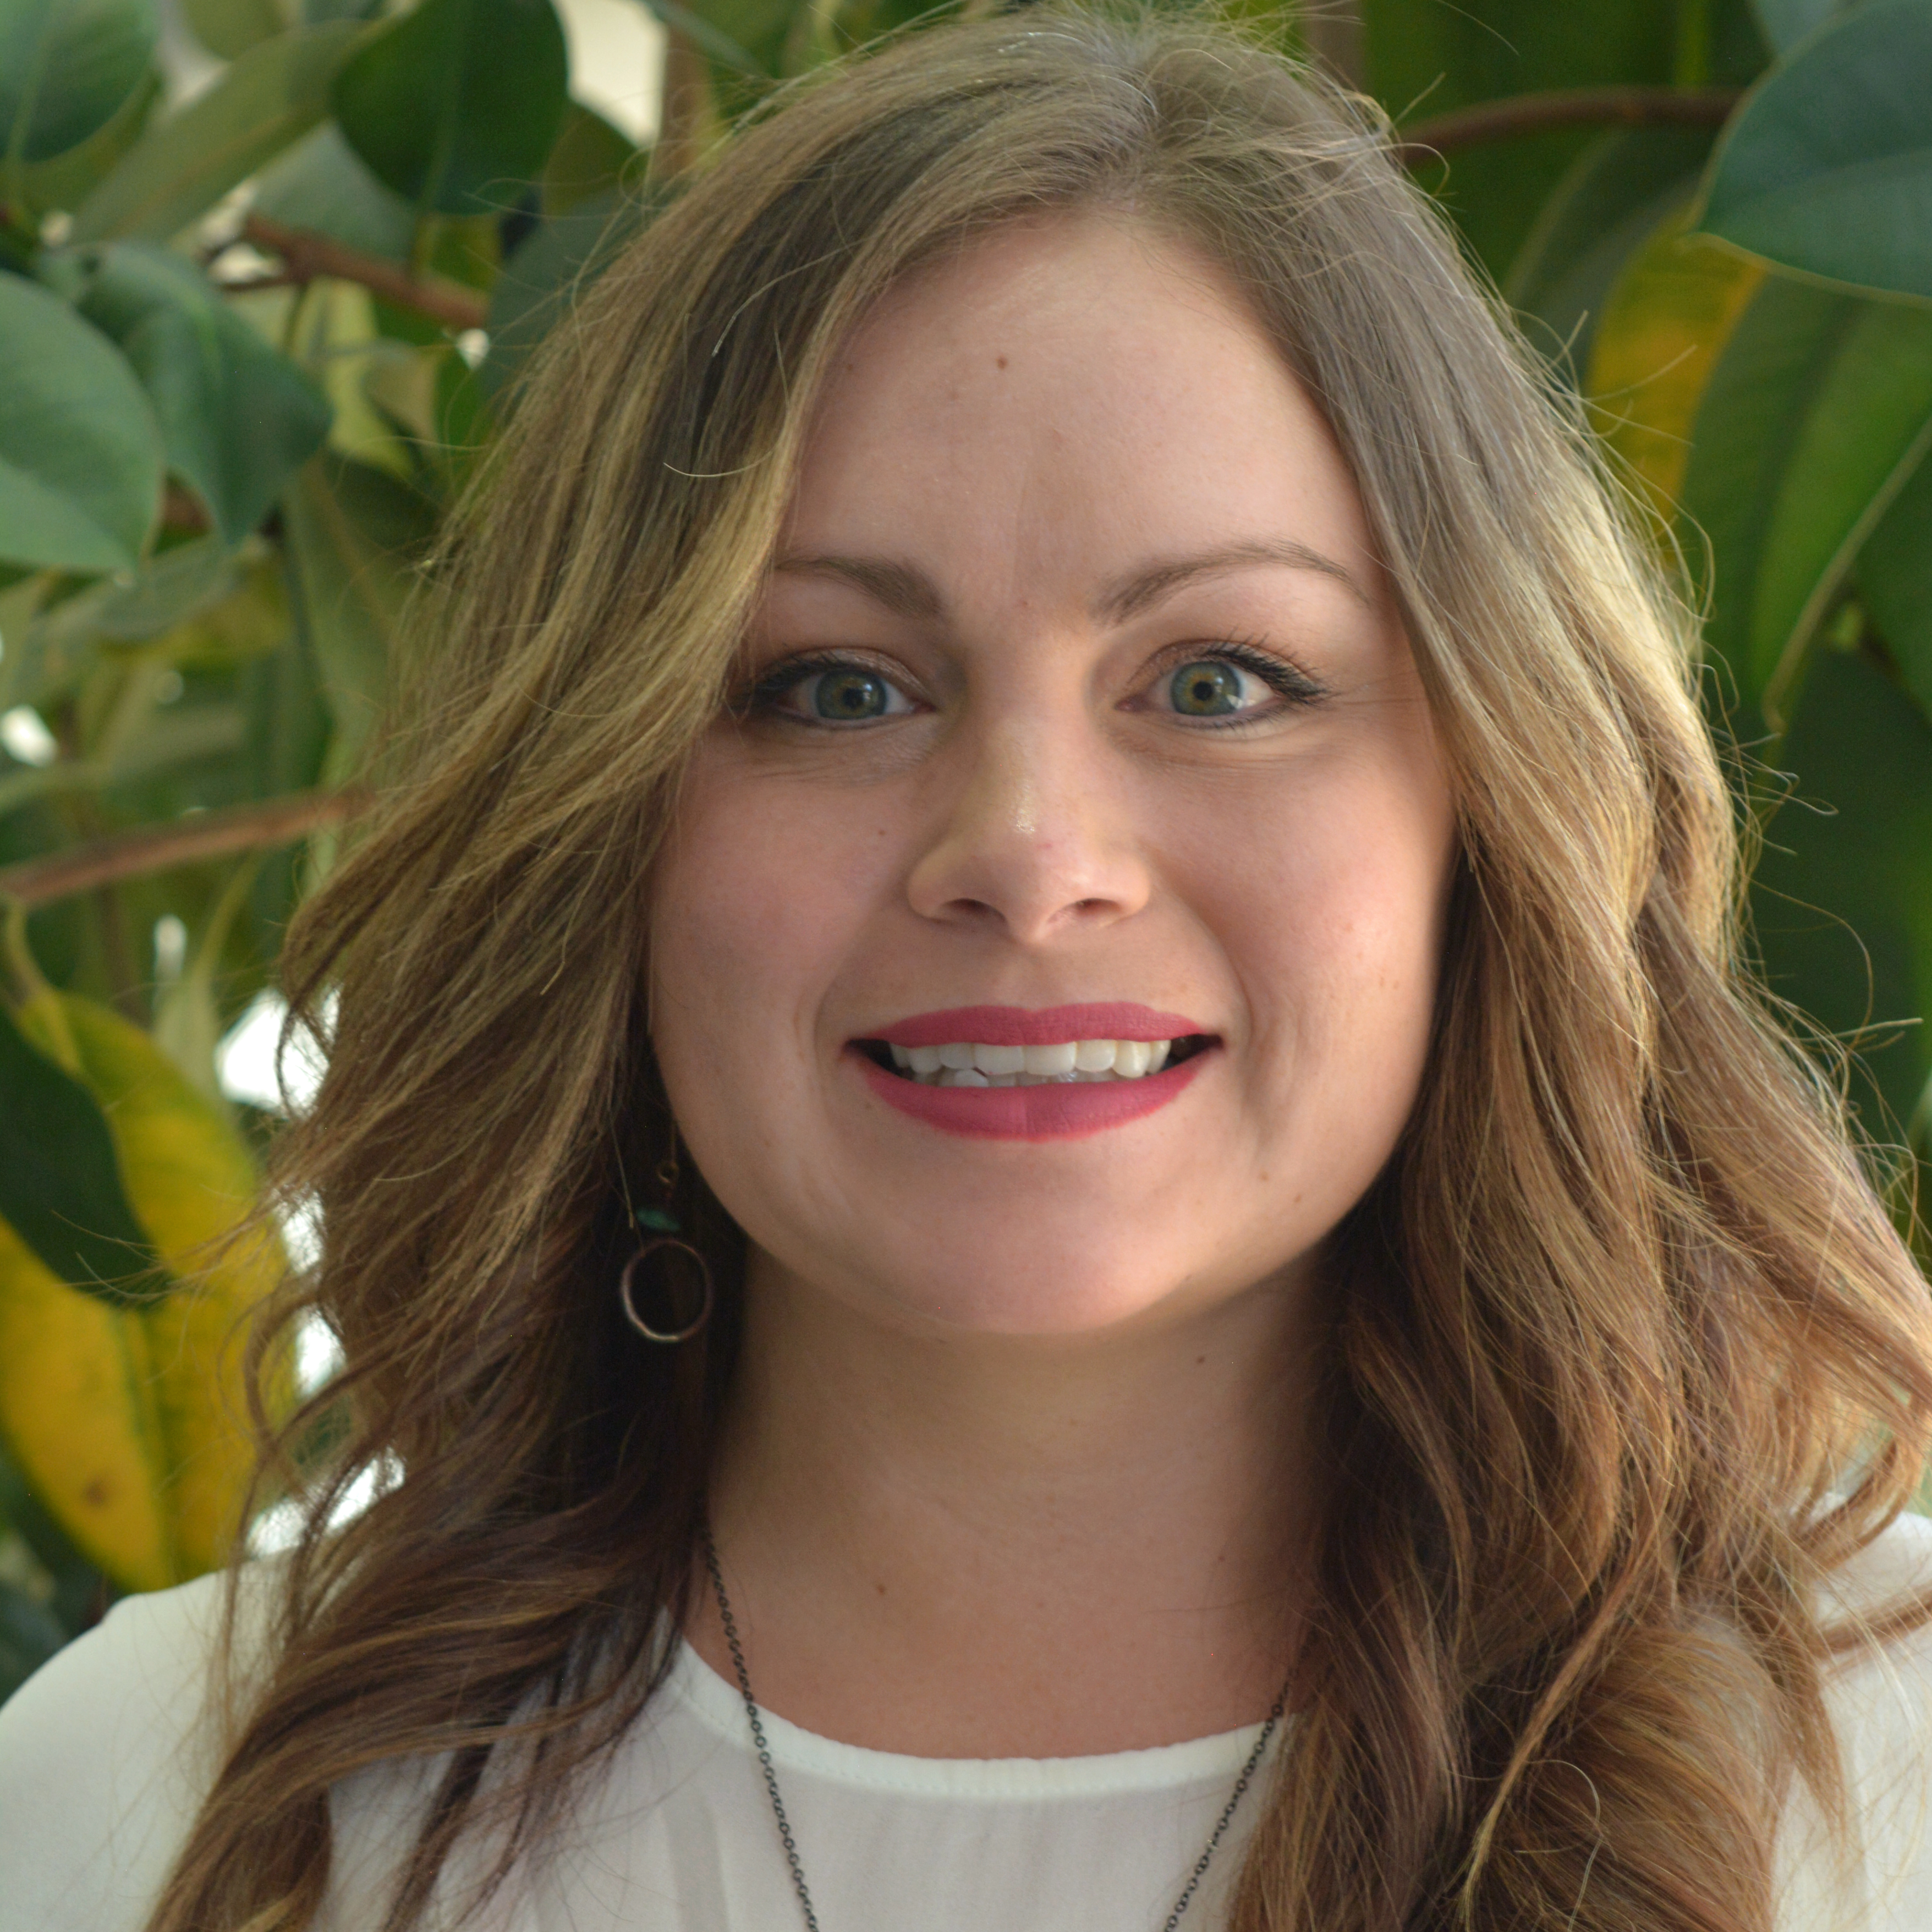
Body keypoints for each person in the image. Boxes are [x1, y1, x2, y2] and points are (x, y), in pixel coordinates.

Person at [5, 7, 1932, 1929]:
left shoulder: (1889, 1767)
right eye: (835, 688)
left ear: (1489, 798)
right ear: (604, 820)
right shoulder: (149, 1803)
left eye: (1219, 682)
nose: (1027, 859)